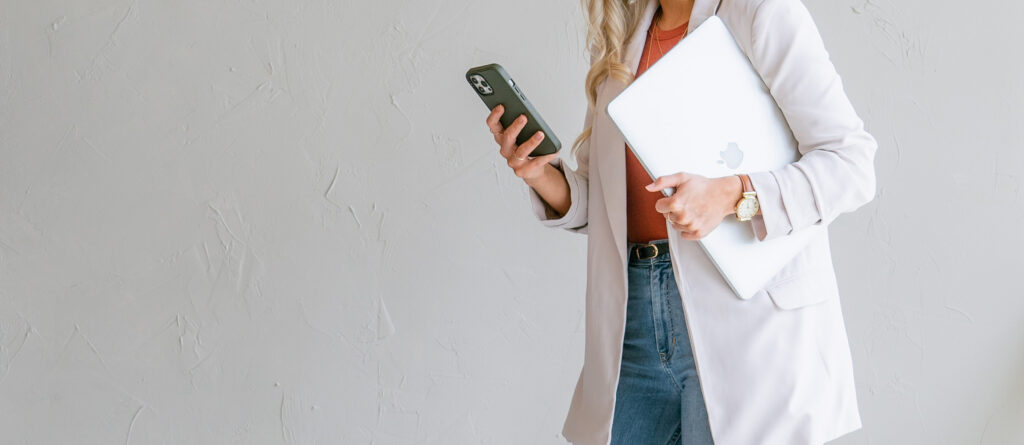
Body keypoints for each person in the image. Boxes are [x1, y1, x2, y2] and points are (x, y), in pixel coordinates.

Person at [483, 0, 878, 444]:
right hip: (632, 322)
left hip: (748, 326)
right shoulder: (621, 37)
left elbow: (851, 163)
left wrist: (735, 194)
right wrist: (540, 174)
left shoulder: (762, 11)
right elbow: (606, 202)